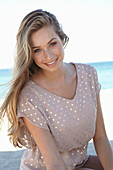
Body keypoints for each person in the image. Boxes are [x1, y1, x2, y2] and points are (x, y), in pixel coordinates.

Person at [0, 9, 113, 170]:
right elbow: (54, 162)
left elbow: (101, 137)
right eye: (37, 50)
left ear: (62, 39)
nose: (48, 55)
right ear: (29, 54)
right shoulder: (29, 96)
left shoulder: (88, 75)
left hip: (79, 161)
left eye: (52, 44)